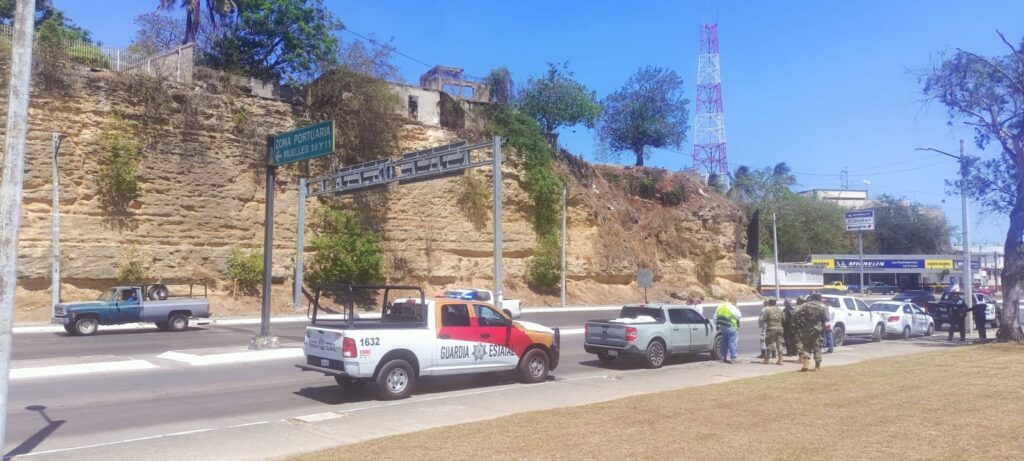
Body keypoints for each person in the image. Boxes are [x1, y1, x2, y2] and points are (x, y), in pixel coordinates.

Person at [794, 293, 830, 371]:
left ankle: (806, 363)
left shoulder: (805, 305)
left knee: (806, 346)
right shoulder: (823, 306)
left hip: (806, 328)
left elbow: (795, 312)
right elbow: (827, 318)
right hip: (817, 328)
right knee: (817, 346)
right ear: (819, 298)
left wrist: (798, 322)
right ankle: (817, 366)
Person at [715, 297, 742, 364]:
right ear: (733, 302)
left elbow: (715, 317)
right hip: (731, 326)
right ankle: (733, 358)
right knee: (732, 342)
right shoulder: (732, 307)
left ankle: (723, 357)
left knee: (724, 342)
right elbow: (739, 316)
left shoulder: (720, 306)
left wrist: (717, 325)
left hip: (723, 327)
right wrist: (737, 308)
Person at [760, 298, 785, 365]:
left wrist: (761, 325)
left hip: (771, 328)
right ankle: (781, 359)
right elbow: (784, 319)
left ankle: (767, 359)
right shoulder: (780, 309)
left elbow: (763, 319)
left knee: (769, 344)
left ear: (769, 302)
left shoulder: (767, 309)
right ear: (775, 302)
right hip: (780, 328)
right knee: (779, 344)